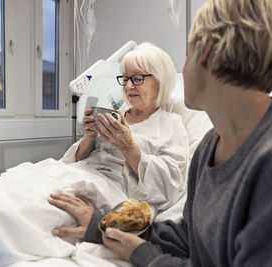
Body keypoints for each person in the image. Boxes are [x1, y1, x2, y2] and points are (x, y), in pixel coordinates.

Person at [52, 0, 272, 266]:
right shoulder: (211, 146)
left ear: (206, 51)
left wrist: (144, 256)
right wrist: (103, 229)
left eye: (188, 53)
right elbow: (191, 237)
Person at [49, 42, 189, 239]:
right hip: (77, 173)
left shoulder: (170, 124)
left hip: (106, 189)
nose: (129, 86)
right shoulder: (116, 114)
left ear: (160, 81)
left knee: (40, 209)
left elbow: (170, 186)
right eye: (124, 79)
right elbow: (75, 160)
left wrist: (128, 147)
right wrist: (89, 137)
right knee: (18, 188)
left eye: (138, 78)